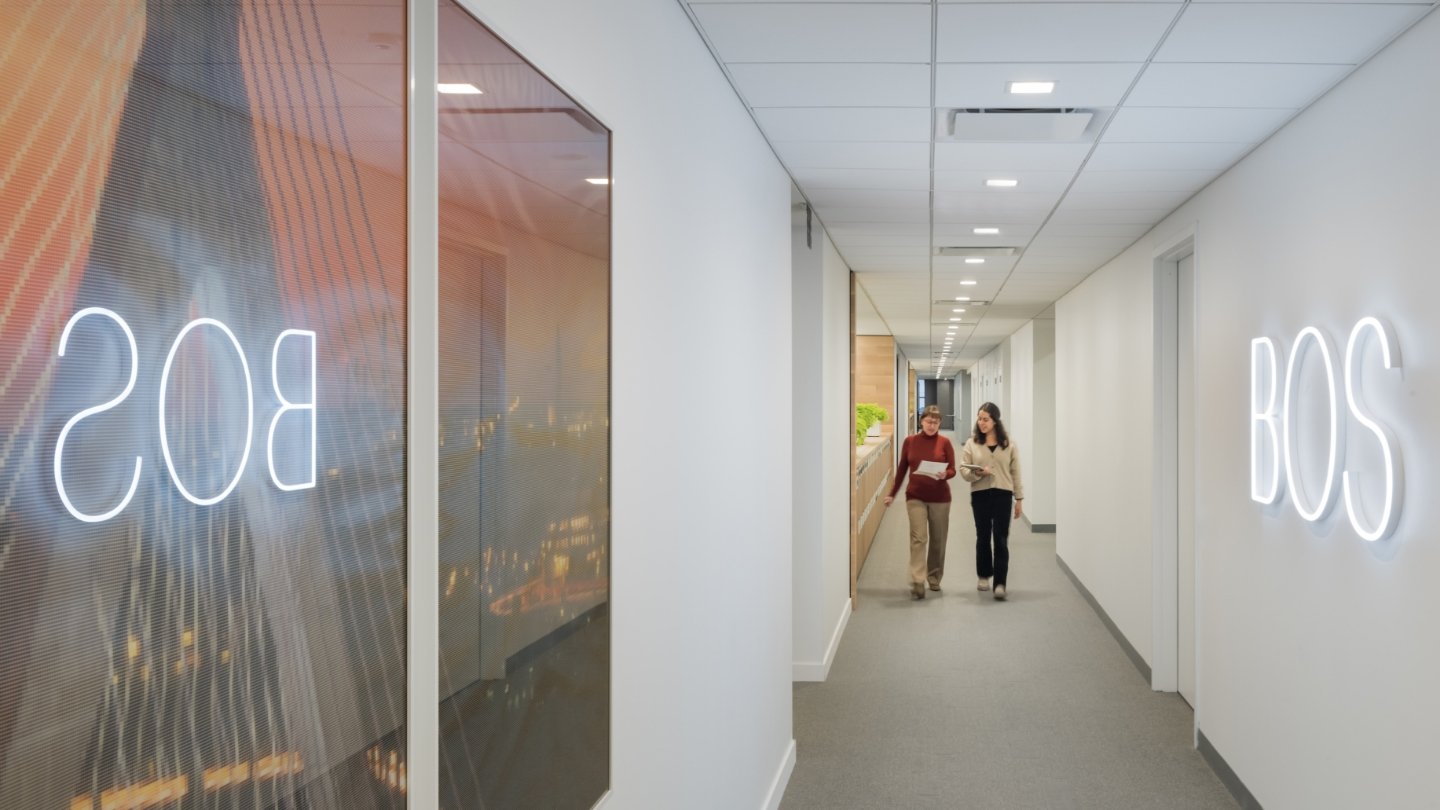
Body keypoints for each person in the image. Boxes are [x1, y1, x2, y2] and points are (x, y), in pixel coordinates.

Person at [883, 405, 957, 600]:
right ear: (921, 421)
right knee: (919, 538)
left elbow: (953, 469)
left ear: (940, 423)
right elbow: (902, 470)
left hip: (940, 498)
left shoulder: (945, 443)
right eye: (928, 421)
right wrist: (892, 493)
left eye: (936, 422)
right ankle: (917, 580)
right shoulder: (910, 441)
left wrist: (945, 474)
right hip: (915, 496)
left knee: (938, 539)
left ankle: (934, 577)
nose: (932, 425)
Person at [959, 402, 1024, 600]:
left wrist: (1019, 498)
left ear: (995, 420)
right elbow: (963, 470)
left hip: (1003, 494)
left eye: (985, 419)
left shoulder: (1009, 444)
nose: (982, 423)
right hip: (980, 494)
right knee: (983, 536)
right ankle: (983, 575)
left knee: (1001, 538)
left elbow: (1015, 472)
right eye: (979, 419)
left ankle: (1000, 583)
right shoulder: (972, 443)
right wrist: (978, 473)